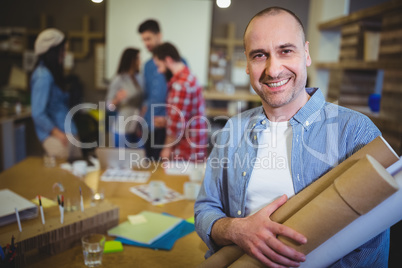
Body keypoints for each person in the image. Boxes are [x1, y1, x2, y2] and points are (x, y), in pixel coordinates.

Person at [194, 7, 389, 268]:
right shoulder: (232, 129)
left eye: (286, 51)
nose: (273, 70)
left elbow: (370, 246)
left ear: (306, 53)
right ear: (247, 65)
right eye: (259, 55)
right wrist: (235, 230)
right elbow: (205, 208)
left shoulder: (354, 132)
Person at [31, 28, 82, 160]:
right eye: (62, 50)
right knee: (63, 177)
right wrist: (57, 133)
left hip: (68, 131)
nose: (65, 55)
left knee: (78, 175)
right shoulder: (43, 75)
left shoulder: (51, 73)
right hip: (58, 136)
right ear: (52, 52)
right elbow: (37, 113)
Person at [152, 42, 208, 162]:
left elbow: (176, 125)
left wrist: (166, 149)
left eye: (159, 65)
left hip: (186, 150)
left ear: (168, 60)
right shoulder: (189, 76)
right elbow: (185, 116)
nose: (159, 71)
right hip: (194, 147)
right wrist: (167, 121)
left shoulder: (180, 84)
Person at [138, 19, 167, 160]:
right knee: (149, 165)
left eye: (148, 38)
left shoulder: (175, 61)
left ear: (159, 36)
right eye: (143, 40)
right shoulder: (147, 65)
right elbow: (147, 95)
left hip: (167, 126)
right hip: (148, 125)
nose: (146, 43)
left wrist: (168, 118)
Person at [106, 48, 144, 147]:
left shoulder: (139, 78)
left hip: (137, 126)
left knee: (138, 159)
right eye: (138, 59)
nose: (140, 61)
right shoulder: (119, 79)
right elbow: (108, 106)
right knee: (123, 160)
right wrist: (117, 99)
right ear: (132, 60)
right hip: (123, 127)